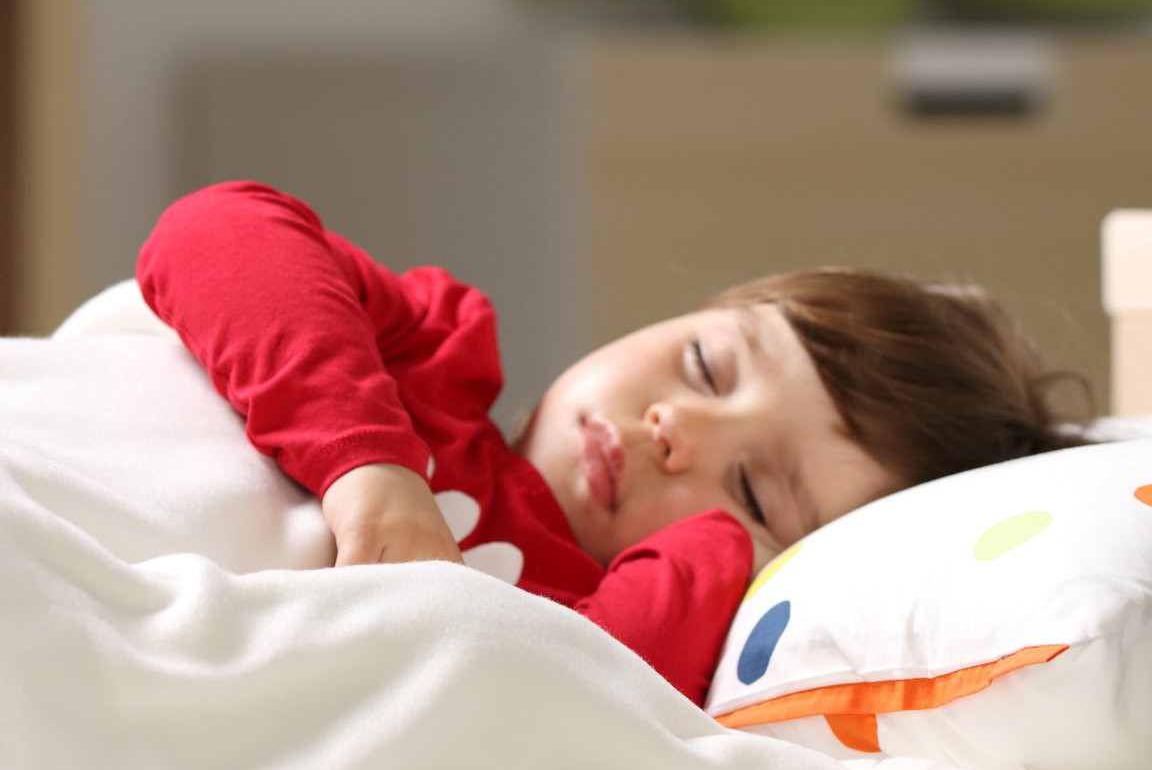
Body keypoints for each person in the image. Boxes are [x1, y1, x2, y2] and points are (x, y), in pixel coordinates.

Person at [139, 180, 1081, 701]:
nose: (680, 430)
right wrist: (369, 471)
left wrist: (719, 552)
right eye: (707, 365)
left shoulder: (588, 618)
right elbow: (213, 230)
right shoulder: (426, 360)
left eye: (754, 493)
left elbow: (552, 706)